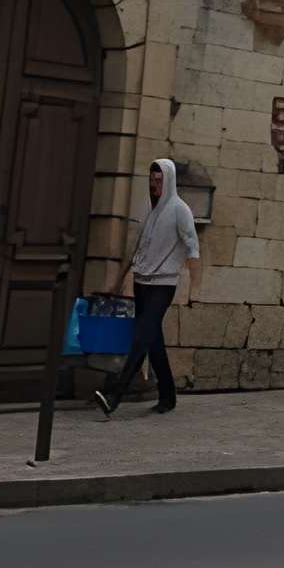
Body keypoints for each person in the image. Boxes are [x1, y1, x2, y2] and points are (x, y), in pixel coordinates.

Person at [94, 158, 201, 418]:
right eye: (152, 179)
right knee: (153, 342)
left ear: (169, 180)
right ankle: (168, 395)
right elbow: (136, 250)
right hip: (142, 283)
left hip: (162, 286)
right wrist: (119, 281)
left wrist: (195, 290)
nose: (154, 184)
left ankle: (115, 396)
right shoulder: (151, 212)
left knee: (141, 338)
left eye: (159, 179)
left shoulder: (180, 210)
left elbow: (193, 249)